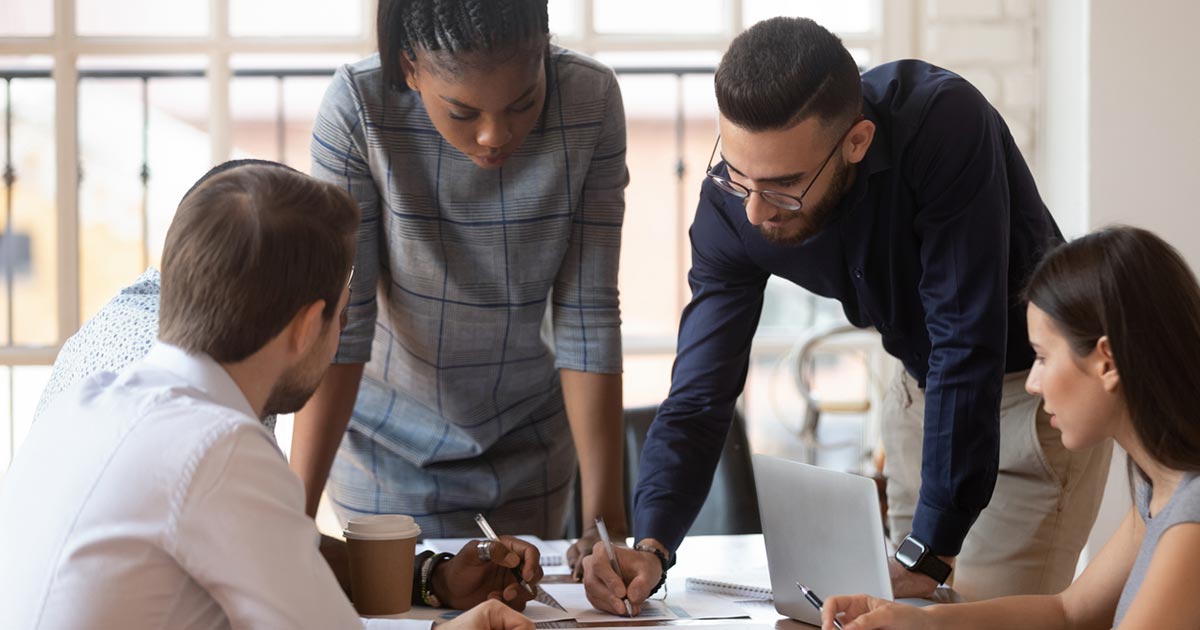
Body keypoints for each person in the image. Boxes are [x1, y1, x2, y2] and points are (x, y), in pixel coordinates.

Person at [582, 17, 1112, 612]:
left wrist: (929, 550)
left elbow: (966, 341)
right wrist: (652, 544)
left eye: (784, 186)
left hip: (1034, 404)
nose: (755, 212)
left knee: (978, 622)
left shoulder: (943, 123)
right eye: (738, 173)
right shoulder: (732, 205)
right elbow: (700, 394)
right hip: (919, 397)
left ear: (856, 142)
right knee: (897, 621)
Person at [0, 162, 538, 629]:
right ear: (306, 327)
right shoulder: (216, 445)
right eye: (343, 317)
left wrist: (430, 579)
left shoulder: (91, 403)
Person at [301, 0, 629, 567]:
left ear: (545, 51)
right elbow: (342, 325)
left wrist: (607, 528)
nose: (493, 136)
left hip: (530, 443)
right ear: (410, 68)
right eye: (461, 112)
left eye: (524, 103)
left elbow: (587, 314)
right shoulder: (358, 108)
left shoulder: (590, 100)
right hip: (387, 450)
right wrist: (292, 516)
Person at [820, 226, 1200, 629]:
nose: (1033, 383)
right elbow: (1069, 612)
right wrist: (922, 622)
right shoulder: (1158, 485)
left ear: (1106, 362)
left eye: (1042, 357)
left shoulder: (1190, 517)